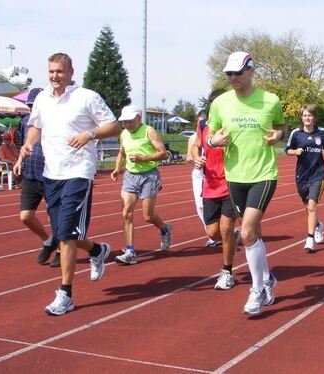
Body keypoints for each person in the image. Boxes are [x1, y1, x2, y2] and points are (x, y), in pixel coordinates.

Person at [19, 52, 121, 316]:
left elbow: (114, 126)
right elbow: (35, 126)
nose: (55, 76)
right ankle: (98, 250)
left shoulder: (86, 97)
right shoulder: (42, 98)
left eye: (60, 72)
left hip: (78, 173)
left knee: (65, 234)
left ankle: (65, 293)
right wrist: (29, 143)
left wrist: (89, 134)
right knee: (67, 233)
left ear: (71, 72)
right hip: (51, 174)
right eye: (51, 71)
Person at [207, 51, 286, 315]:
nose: (232, 78)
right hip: (235, 177)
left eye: (238, 73)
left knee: (248, 232)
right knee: (254, 234)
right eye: (229, 74)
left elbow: (280, 127)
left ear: (251, 71)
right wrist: (213, 142)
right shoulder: (220, 103)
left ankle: (257, 290)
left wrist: (278, 135)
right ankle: (268, 279)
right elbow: (210, 135)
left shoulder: (270, 100)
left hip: (263, 174)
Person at [111, 105, 173, 265]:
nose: (128, 125)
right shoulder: (124, 133)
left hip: (149, 176)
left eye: (130, 121)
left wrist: (144, 158)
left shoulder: (148, 131)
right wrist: (117, 169)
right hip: (130, 176)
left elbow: (164, 153)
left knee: (148, 216)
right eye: (124, 122)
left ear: (139, 118)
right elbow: (121, 153)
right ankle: (130, 250)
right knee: (126, 213)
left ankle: (165, 228)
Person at [191, 88, 239, 290]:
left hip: (230, 182)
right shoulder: (203, 125)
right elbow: (196, 145)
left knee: (226, 227)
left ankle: (227, 271)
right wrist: (196, 157)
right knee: (213, 233)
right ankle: (232, 239)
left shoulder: (234, 124)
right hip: (209, 184)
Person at [13, 88, 60, 267]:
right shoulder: (25, 122)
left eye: (35, 105)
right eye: (30, 106)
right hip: (30, 174)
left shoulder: (55, 120)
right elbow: (24, 144)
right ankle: (48, 240)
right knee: (25, 216)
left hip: (52, 174)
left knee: (56, 217)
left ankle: (61, 251)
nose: (33, 109)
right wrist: (18, 161)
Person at [285, 104, 324, 253]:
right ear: (302, 117)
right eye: (305, 115)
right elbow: (287, 150)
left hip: (318, 173)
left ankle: (310, 238)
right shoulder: (296, 133)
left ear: (314, 117)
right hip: (302, 175)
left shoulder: (322, 132)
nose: (307, 118)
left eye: (310, 115)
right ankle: (318, 224)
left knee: (312, 206)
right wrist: (295, 152)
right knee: (307, 207)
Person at [187, 110, 219, 247]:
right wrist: (196, 158)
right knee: (200, 206)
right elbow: (189, 156)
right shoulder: (193, 137)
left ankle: (220, 232)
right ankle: (213, 234)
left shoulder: (216, 133)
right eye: (198, 122)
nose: (199, 124)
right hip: (199, 173)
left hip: (214, 172)